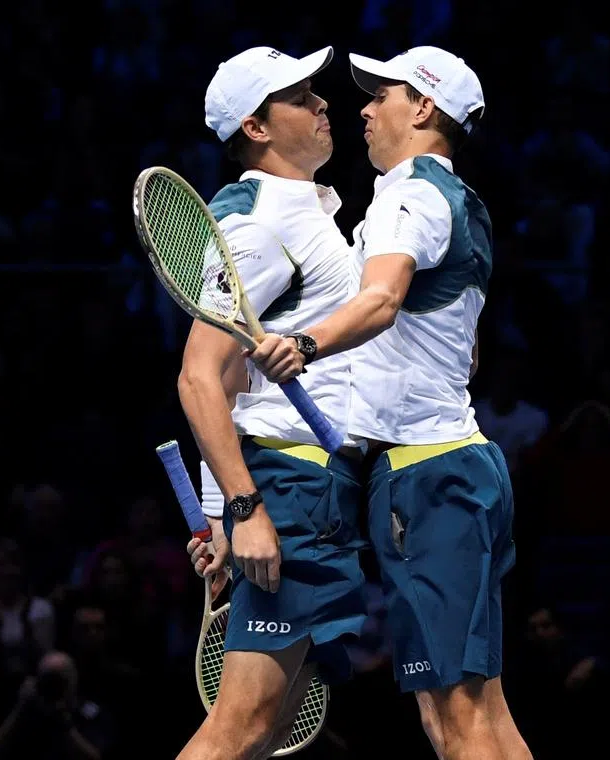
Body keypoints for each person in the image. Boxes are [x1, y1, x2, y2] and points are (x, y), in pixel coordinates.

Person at [249, 47, 532, 760]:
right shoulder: (457, 197)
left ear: (425, 108)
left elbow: (381, 298)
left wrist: (305, 345)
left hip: (431, 479)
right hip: (449, 472)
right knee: (476, 716)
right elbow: (456, 344)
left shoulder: (410, 192)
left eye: (384, 95)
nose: (365, 109)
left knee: (459, 721)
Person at [176, 44, 369, 760]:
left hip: (317, 490)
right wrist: (239, 510)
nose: (323, 106)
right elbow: (202, 375)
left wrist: (222, 512)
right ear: (256, 127)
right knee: (243, 728)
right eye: (301, 98)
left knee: (272, 727)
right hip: (285, 490)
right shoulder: (258, 226)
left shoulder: (307, 209)